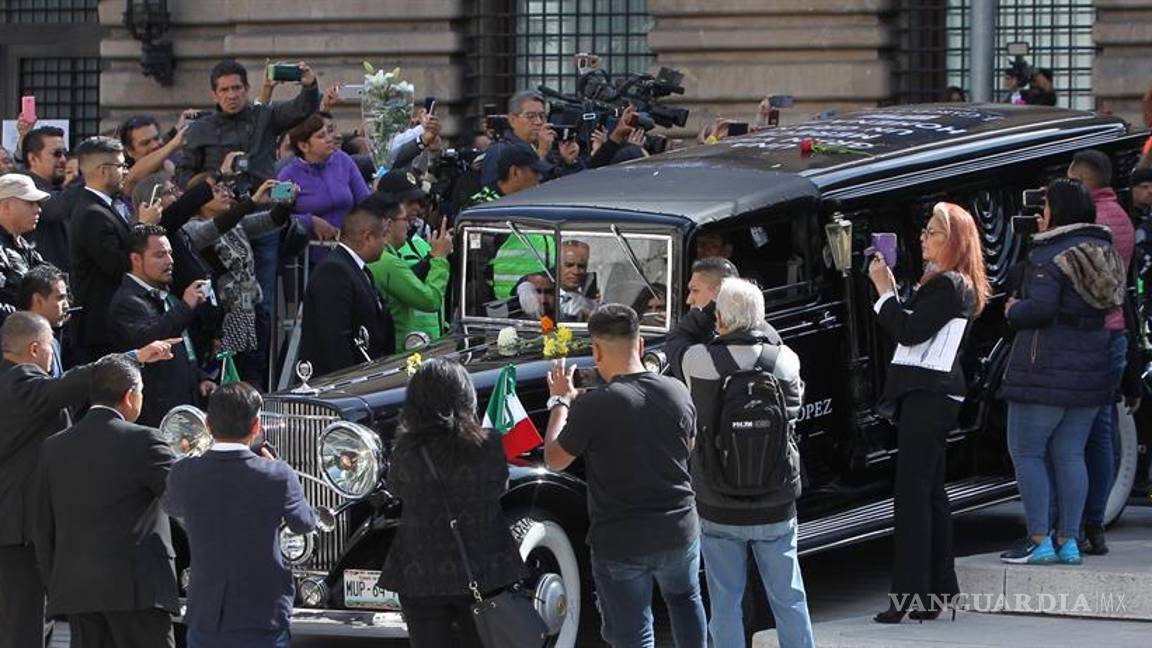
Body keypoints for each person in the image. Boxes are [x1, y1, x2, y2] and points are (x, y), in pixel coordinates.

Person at [0, 312, 177, 648]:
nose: (54, 353)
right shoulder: (19, 382)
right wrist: (131, 359)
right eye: (51, 345)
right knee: (22, 628)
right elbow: (66, 386)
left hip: (21, 527)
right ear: (35, 348)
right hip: (18, 530)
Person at [544, 304, 707, 648]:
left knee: (634, 633)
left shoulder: (593, 406)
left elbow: (555, 459)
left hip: (621, 540)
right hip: (679, 530)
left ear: (596, 350)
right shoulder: (677, 391)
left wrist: (560, 400)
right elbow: (688, 447)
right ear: (642, 344)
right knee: (686, 603)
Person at [665, 277, 814, 647]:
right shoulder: (786, 361)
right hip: (776, 501)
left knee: (725, 601)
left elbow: (675, 343)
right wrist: (756, 323)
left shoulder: (701, 363)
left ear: (720, 318)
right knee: (789, 597)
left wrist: (706, 313)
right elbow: (794, 413)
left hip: (718, 503)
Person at [866, 202, 990, 621]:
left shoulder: (949, 285)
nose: (923, 236)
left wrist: (885, 293)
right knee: (931, 494)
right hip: (934, 393)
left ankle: (911, 597)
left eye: (933, 232)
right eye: (924, 230)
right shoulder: (948, 283)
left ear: (953, 240)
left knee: (913, 496)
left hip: (929, 394)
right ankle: (937, 591)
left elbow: (909, 331)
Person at [998, 178, 1125, 566]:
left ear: (1061, 211)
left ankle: (1039, 538)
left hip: (1045, 370)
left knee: (1026, 451)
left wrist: (1012, 310)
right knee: (1071, 454)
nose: (1041, 214)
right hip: (1092, 366)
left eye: (1047, 206)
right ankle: (1069, 540)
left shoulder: (1049, 255)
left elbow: (1038, 309)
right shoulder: (1105, 249)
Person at [34, 354, 179, 648]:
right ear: (130, 396)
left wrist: (58, 581)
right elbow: (183, 499)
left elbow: (42, 525)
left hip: (77, 590)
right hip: (138, 590)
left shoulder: (54, 447)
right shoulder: (146, 440)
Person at [378, 358, 524, 647]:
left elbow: (396, 489)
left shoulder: (405, 450)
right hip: (483, 569)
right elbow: (500, 486)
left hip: (421, 571)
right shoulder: (489, 444)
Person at [163, 382, 316, 648]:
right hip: (262, 613)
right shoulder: (277, 474)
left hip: (207, 613)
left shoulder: (185, 472)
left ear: (208, 425)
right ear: (256, 427)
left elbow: (172, 507)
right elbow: (304, 522)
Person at [1067, 150, 1136, 555]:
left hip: (1092, 336)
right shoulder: (1121, 216)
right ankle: (1094, 525)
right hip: (1113, 335)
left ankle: (1078, 526)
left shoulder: (1093, 222)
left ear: (1084, 180)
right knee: (1101, 432)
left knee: (1076, 437)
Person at [181, 175, 292, 386]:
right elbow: (214, 228)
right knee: (234, 374)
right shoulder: (191, 229)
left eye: (226, 189)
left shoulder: (236, 224)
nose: (226, 194)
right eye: (217, 191)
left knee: (254, 369)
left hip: (251, 307)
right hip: (226, 315)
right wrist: (251, 203)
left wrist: (285, 204)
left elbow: (271, 221)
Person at [108, 224, 217, 427]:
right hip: (154, 417)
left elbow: (182, 346)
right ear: (136, 259)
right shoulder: (128, 301)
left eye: (170, 253)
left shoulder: (168, 295)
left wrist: (200, 378)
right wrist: (185, 307)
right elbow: (151, 342)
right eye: (159, 255)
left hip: (183, 410)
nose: (169, 261)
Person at [176, 59, 320, 188]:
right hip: (222, 209)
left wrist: (310, 86)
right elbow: (184, 176)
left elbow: (301, 110)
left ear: (246, 89)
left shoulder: (265, 116)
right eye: (224, 90)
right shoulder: (200, 128)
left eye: (236, 88)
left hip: (263, 206)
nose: (232, 95)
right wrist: (216, 178)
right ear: (214, 95)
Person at [300, 194, 395, 377]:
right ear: (367, 237)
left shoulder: (360, 270)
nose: (386, 242)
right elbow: (335, 340)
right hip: (338, 388)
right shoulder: (333, 272)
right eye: (383, 236)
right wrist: (350, 382)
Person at [69, 136, 137, 363]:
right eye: (121, 166)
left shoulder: (104, 207)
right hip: (100, 328)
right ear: (104, 171)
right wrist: (144, 227)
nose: (126, 172)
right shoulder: (92, 213)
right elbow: (117, 265)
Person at [366, 201, 452, 349]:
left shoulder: (383, 258)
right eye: (405, 219)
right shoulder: (388, 262)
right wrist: (440, 259)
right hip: (396, 354)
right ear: (389, 224)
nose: (409, 225)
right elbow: (431, 300)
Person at [277, 112, 370, 247]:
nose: (329, 139)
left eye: (329, 132)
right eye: (321, 136)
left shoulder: (343, 160)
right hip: (308, 255)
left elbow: (366, 202)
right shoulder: (286, 175)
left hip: (347, 248)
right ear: (304, 146)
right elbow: (275, 218)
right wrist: (309, 221)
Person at [480, 90, 582, 187]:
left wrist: (569, 162)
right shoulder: (500, 151)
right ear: (512, 120)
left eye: (542, 116)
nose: (538, 122)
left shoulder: (549, 146)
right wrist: (541, 155)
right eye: (530, 116)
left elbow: (564, 187)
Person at [21, 126, 74, 271]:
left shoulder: (60, 189)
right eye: (56, 154)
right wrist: (92, 175)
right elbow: (55, 208)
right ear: (33, 158)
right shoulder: (24, 187)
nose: (63, 159)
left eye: (65, 153)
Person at [0, 173, 49, 322]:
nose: (38, 209)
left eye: (38, 203)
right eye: (30, 203)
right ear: (5, 205)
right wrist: (30, 320)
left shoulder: (23, 246)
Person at [17, 264, 70, 378]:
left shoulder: (52, 341)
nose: (66, 305)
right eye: (60, 298)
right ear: (38, 300)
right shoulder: (14, 342)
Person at [558, 239, 598, 321]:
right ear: (558, 266)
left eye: (581, 266)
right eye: (569, 265)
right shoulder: (542, 292)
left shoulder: (592, 305)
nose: (576, 271)